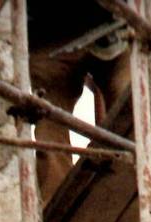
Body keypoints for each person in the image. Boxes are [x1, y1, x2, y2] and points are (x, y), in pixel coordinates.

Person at [27, 3, 132, 203]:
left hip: (118, 27)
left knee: (132, 111)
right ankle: (56, 212)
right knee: (49, 124)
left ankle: (131, 196)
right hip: (50, 33)